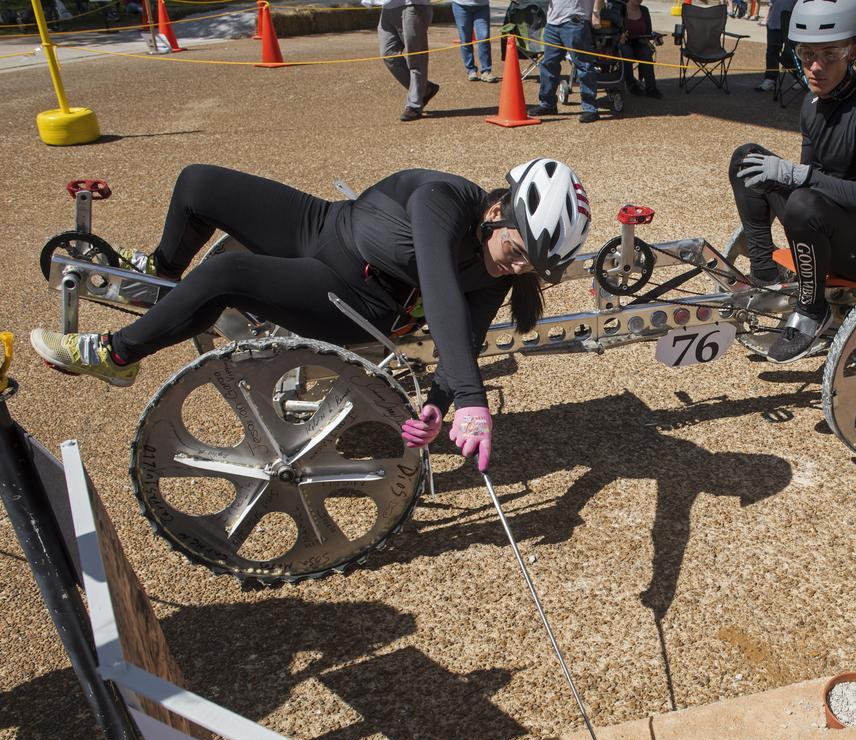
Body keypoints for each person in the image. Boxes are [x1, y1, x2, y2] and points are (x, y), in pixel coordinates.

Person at [30, 159, 593, 471]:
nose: (514, 268)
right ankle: (163, 271)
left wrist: (442, 404)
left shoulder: (493, 276)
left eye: (528, 267)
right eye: (517, 250)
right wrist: (471, 399)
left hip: (352, 297)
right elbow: (441, 281)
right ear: (497, 210)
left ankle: (117, 354)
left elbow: (458, 337)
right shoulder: (445, 198)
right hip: (322, 225)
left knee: (226, 278)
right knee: (197, 183)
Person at [729, 0, 856, 364]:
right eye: (806, 53)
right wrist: (796, 177)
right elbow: (815, 182)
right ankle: (764, 272)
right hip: (826, 226)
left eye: (830, 54)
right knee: (745, 158)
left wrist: (798, 175)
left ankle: (813, 311)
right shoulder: (812, 104)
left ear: (854, 51)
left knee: (802, 201)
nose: (815, 66)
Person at [531, 0, 604, 123]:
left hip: (575, 20)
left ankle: (590, 108)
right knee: (548, 64)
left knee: (583, 65)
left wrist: (596, 12)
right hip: (552, 22)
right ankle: (548, 104)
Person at [369, 0, 439, 121]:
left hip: (412, 6)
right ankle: (425, 89)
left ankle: (414, 105)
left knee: (416, 58)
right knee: (388, 55)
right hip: (387, 7)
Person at [619, 0, 663, 98]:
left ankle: (651, 88)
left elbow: (649, 31)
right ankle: (631, 85)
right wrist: (620, 36)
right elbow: (615, 29)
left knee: (646, 52)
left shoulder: (644, 10)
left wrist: (655, 38)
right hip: (624, 42)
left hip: (640, 42)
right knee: (626, 53)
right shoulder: (621, 9)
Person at [753, 0, 795, 93]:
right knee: (772, 52)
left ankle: (798, 76)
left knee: (794, 52)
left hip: (793, 24)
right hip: (774, 22)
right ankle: (770, 79)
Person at [453, 0, 496, 83]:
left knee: (484, 37)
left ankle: (486, 71)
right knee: (465, 39)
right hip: (461, 5)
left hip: (482, 6)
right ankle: (471, 70)